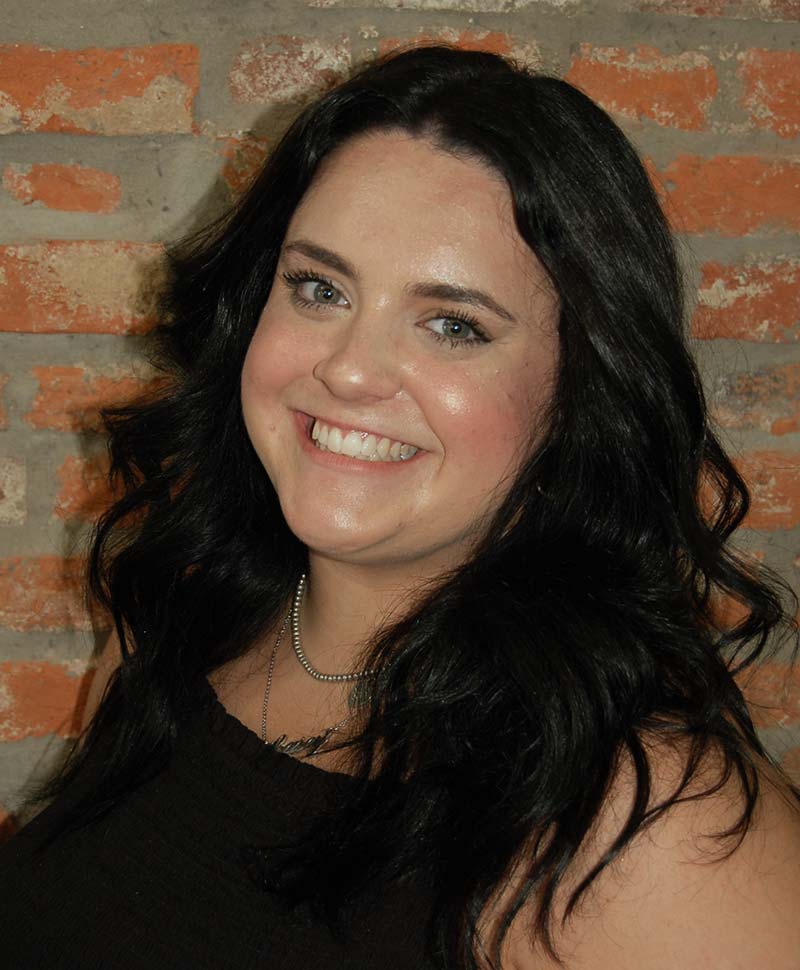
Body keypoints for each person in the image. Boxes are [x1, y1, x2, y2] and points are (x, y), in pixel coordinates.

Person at [1, 44, 799, 970]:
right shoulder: (172, 621)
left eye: (453, 325)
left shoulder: (649, 828)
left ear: (580, 397)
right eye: (320, 288)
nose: (347, 369)